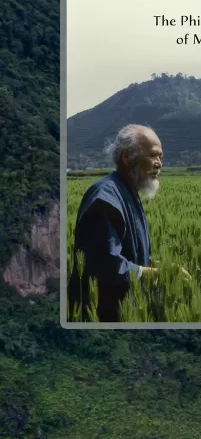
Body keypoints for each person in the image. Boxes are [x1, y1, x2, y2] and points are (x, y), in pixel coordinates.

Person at [67, 124, 163, 322]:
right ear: (128, 157)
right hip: (103, 317)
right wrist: (151, 274)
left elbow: (127, 251)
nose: (159, 163)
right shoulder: (105, 198)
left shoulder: (128, 193)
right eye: (153, 155)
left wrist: (151, 265)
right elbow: (105, 264)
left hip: (125, 313)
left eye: (160, 157)